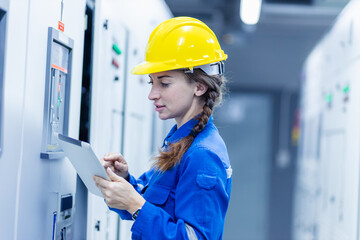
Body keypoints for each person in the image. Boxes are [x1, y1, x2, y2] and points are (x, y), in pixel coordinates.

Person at [93, 16, 232, 240]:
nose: (152, 94)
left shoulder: (203, 155)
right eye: (152, 82)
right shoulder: (180, 141)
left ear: (199, 86)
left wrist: (135, 205)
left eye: (164, 83)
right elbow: (156, 205)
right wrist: (126, 181)